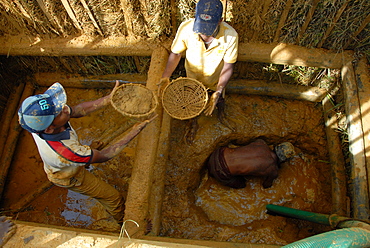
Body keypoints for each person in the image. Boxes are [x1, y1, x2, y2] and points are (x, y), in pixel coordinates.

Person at [18, 81, 157, 224]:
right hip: (70, 176)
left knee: (81, 155)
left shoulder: (39, 123)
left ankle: (84, 159)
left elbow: (77, 110)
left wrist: (108, 99)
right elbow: (104, 156)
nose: (65, 108)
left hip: (69, 160)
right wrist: (134, 131)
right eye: (60, 112)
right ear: (49, 129)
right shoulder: (68, 152)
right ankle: (125, 223)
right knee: (113, 198)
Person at [159, 0, 239, 142]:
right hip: (193, 78)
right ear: (196, 18)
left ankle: (221, 115)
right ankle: (193, 122)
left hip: (215, 80)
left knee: (218, 100)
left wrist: (218, 90)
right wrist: (166, 76)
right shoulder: (187, 28)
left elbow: (228, 65)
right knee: (192, 103)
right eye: (201, 28)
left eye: (208, 29)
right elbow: (176, 54)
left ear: (220, 21)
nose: (203, 34)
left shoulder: (230, 36)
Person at [207, 139, 295, 189]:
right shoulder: (273, 170)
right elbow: (266, 185)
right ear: (283, 160)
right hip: (219, 170)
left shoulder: (261, 143)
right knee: (242, 185)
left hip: (218, 153)